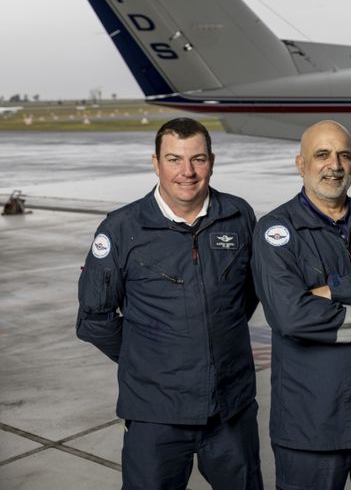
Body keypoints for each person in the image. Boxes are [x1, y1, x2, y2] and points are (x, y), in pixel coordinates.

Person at [76, 117, 262, 489]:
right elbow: (94, 319)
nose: (187, 172)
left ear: (212, 160)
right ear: (155, 163)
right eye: (175, 159)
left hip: (230, 409)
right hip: (155, 413)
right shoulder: (121, 228)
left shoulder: (239, 216)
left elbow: (246, 296)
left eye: (198, 159)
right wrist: (149, 356)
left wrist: (210, 345)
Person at [252, 120, 351, 490]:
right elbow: (293, 317)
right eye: (321, 154)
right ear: (300, 163)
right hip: (312, 428)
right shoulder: (276, 231)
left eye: (344, 155)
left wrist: (334, 288)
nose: (334, 165)